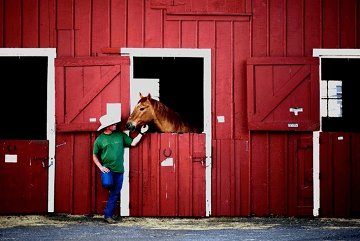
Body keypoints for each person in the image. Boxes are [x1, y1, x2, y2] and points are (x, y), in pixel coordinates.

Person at [93, 114, 148, 224]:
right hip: (107, 169)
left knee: (114, 193)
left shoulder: (119, 135)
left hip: (119, 170)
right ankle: (109, 189)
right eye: (113, 124)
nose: (116, 125)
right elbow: (94, 155)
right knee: (108, 184)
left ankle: (108, 216)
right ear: (107, 126)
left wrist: (142, 133)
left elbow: (133, 143)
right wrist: (101, 166)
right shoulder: (100, 140)